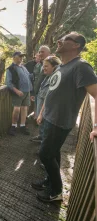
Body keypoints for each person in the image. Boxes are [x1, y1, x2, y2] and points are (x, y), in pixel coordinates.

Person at [31, 32, 97, 203]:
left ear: (76, 45)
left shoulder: (81, 67)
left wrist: (96, 125)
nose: (59, 40)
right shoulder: (62, 66)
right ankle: (50, 181)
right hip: (49, 118)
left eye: (66, 39)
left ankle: (56, 192)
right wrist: (42, 113)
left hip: (60, 122)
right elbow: (51, 92)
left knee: (45, 155)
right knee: (53, 153)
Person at [5, 51, 32, 136]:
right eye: (19, 56)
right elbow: (8, 83)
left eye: (22, 56)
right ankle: (13, 127)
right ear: (14, 57)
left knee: (24, 109)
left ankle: (23, 126)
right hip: (18, 92)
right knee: (17, 109)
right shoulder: (10, 69)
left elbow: (29, 76)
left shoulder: (23, 67)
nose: (21, 58)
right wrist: (16, 91)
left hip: (27, 91)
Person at [30, 46, 51, 142]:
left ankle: (44, 139)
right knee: (39, 115)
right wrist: (34, 92)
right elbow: (36, 78)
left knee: (44, 116)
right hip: (39, 92)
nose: (40, 53)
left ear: (48, 53)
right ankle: (41, 135)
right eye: (39, 51)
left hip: (46, 93)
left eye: (42, 52)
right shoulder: (39, 64)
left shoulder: (51, 63)